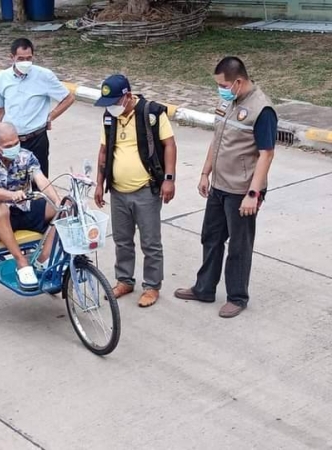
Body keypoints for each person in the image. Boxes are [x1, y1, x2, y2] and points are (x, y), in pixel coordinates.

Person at [174, 57, 277, 318]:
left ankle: (237, 297)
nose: (220, 89)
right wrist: (205, 172)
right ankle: (204, 288)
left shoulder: (262, 109)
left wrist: (253, 194)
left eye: (223, 85)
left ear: (238, 82)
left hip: (242, 190)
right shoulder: (228, 102)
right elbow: (217, 138)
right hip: (219, 185)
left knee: (239, 246)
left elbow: (266, 154)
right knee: (211, 237)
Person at [93, 74, 177, 307]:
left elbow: (169, 145)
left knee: (150, 242)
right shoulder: (109, 117)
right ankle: (124, 280)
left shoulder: (152, 113)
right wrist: (99, 183)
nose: (111, 107)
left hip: (145, 190)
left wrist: (169, 179)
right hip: (117, 191)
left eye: (114, 102)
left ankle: (152, 286)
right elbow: (103, 151)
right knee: (122, 240)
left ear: (128, 96)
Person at [0, 122, 61, 290]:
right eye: (8, 146)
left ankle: (44, 258)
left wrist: (57, 201)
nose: (14, 148)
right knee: (0, 210)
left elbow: (41, 179)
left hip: (24, 206)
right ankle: (21, 262)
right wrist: (11, 195)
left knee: (66, 207)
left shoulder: (26, 156)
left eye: (16, 143)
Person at [0, 38, 75, 177]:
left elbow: (68, 98)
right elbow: (0, 110)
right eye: (21, 59)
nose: (25, 62)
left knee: (39, 181)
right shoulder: (2, 77)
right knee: (11, 181)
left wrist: (50, 116)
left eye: (29, 58)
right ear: (12, 57)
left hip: (37, 139)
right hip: (12, 142)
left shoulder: (44, 76)